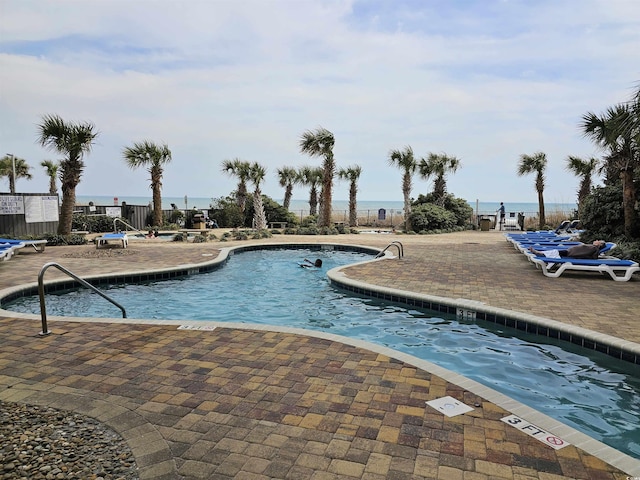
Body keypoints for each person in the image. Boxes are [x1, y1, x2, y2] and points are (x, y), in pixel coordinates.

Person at [528, 240, 606, 259]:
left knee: (556, 252)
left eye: (598, 241)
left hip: (571, 253)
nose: (596, 240)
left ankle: (540, 253)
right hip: (571, 251)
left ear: (599, 244)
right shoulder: (593, 247)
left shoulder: (595, 248)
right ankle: (540, 253)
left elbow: (593, 257)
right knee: (556, 252)